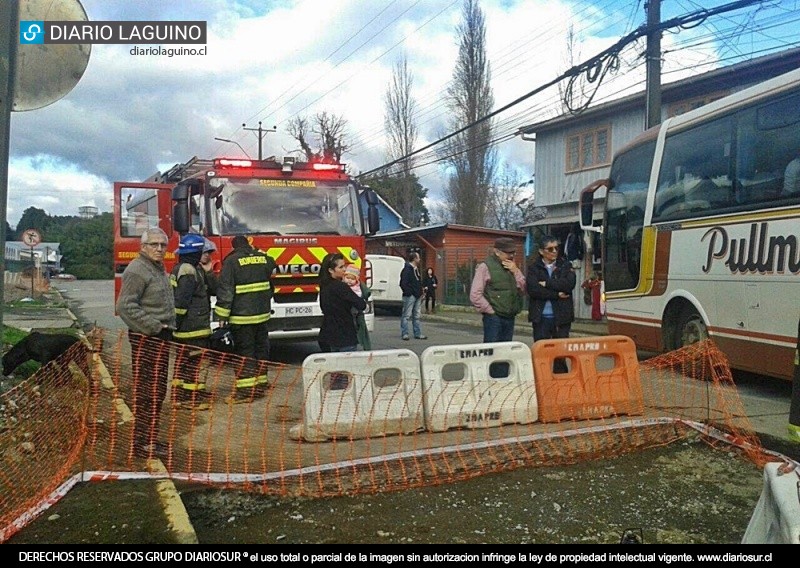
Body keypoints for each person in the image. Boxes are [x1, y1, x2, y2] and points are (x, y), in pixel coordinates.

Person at [115, 227, 175, 460]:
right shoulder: (138, 270)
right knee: (147, 391)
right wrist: (155, 327)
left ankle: (149, 439)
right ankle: (141, 444)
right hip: (147, 338)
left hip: (159, 338)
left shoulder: (157, 268)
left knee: (157, 391)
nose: (159, 248)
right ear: (143, 247)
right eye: (154, 244)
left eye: (162, 244)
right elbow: (125, 306)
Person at [214, 235, 276, 403]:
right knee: (261, 347)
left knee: (245, 352)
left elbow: (226, 290)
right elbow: (272, 265)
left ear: (234, 247)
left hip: (242, 317)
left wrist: (221, 315)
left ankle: (246, 391)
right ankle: (262, 383)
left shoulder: (232, 262)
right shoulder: (263, 258)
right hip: (262, 315)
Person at [170, 234, 214, 409]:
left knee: (183, 362)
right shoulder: (188, 271)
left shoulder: (182, 268)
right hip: (192, 328)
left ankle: (179, 395)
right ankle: (190, 399)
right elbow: (181, 302)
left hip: (185, 327)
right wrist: (178, 323)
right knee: (194, 363)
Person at [526, 235, 577, 373]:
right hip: (541, 318)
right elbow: (533, 289)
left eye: (556, 248)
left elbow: (568, 284)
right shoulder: (534, 268)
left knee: (560, 353)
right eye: (550, 249)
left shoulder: (565, 265)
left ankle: (561, 384)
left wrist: (547, 283)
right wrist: (556, 294)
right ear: (541, 251)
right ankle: (542, 381)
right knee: (541, 353)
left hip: (561, 318)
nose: (554, 251)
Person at [469, 237, 526, 343]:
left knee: (505, 352)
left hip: (510, 316)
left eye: (513, 252)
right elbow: (475, 294)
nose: (512, 255)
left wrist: (516, 271)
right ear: (497, 252)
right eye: (508, 252)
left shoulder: (513, 267)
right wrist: (490, 311)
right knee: (492, 351)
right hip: (494, 318)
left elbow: (523, 289)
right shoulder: (485, 267)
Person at [318, 253, 367, 353]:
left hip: (328, 335)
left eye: (344, 266)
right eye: (341, 267)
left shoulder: (324, 286)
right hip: (345, 336)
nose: (344, 269)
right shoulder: (341, 287)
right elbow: (361, 305)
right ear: (331, 270)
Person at [343, 264, 372, 350]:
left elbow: (361, 296)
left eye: (352, 279)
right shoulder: (342, 286)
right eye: (347, 278)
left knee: (359, 327)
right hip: (348, 311)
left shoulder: (358, 287)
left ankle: (366, 346)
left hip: (356, 311)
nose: (349, 281)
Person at [399, 251, 426, 341]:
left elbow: (418, 282)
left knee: (416, 315)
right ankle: (405, 333)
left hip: (417, 295)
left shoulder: (416, 269)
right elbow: (403, 283)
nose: (419, 259)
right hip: (410, 296)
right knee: (406, 315)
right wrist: (409, 293)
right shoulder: (407, 270)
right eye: (418, 257)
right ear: (414, 259)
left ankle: (417, 333)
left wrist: (421, 292)